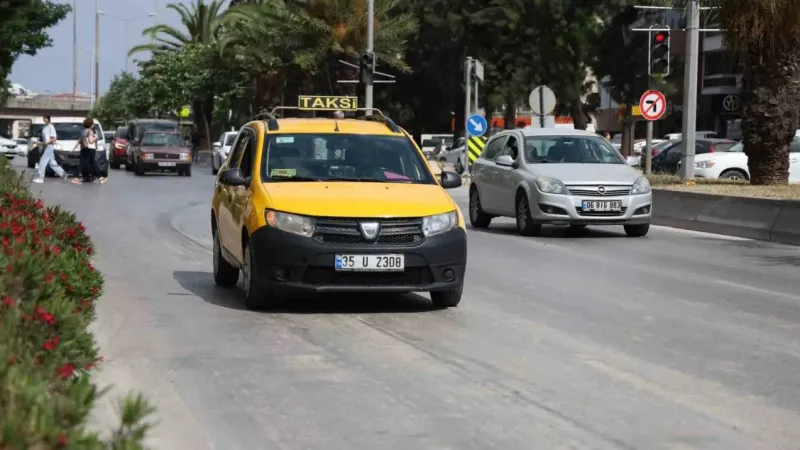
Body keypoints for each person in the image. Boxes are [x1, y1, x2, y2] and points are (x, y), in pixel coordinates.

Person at [32, 115, 68, 184]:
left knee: (43, 161)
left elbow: (54, 138)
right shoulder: (44, 128)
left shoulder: (51, 127)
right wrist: (39, 143)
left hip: (49, 146)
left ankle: (40, 178)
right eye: (43, 118)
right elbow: (45, 140)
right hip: (46, 146)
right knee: (52, 163)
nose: (44, 119)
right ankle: (63, 174)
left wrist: (47, 142)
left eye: (45, 118)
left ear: (48, 119)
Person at [72, 118, 106, 184]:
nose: (93, 125)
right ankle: (75, 177)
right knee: (88, 164)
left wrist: (73, 149)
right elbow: (90, 141)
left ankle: (99, 178)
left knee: (89, 164)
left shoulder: (83, 131)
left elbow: (79, 141)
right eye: (92, 123)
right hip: (88, 149)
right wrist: (95, 137)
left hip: (83, 149)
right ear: (90, 124)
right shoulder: (90, 131)